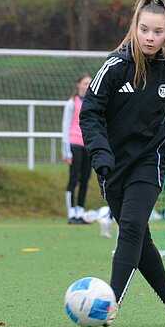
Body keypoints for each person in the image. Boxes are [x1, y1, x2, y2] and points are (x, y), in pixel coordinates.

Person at [79, 0, 165, 327]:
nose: (150, 37)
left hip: (149, 161)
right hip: (112, 166)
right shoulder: (115, 67)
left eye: (158, 31)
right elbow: (90, 113)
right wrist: (100, 152)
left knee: (130, 227)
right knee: (139, 237)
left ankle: (109, 304)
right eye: (144, 29)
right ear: (135, 28)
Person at [61, 74, 93, 224]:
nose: (88, 86)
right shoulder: (72, 103)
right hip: (74, 145)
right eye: (85, 83)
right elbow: (65, 127)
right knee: (73, 179)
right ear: (78, 84)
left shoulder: (93, 102)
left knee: (85, 179)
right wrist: (66, 151)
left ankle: (80, 211)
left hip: (87, 145)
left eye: (90, 83)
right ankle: (71, 213)